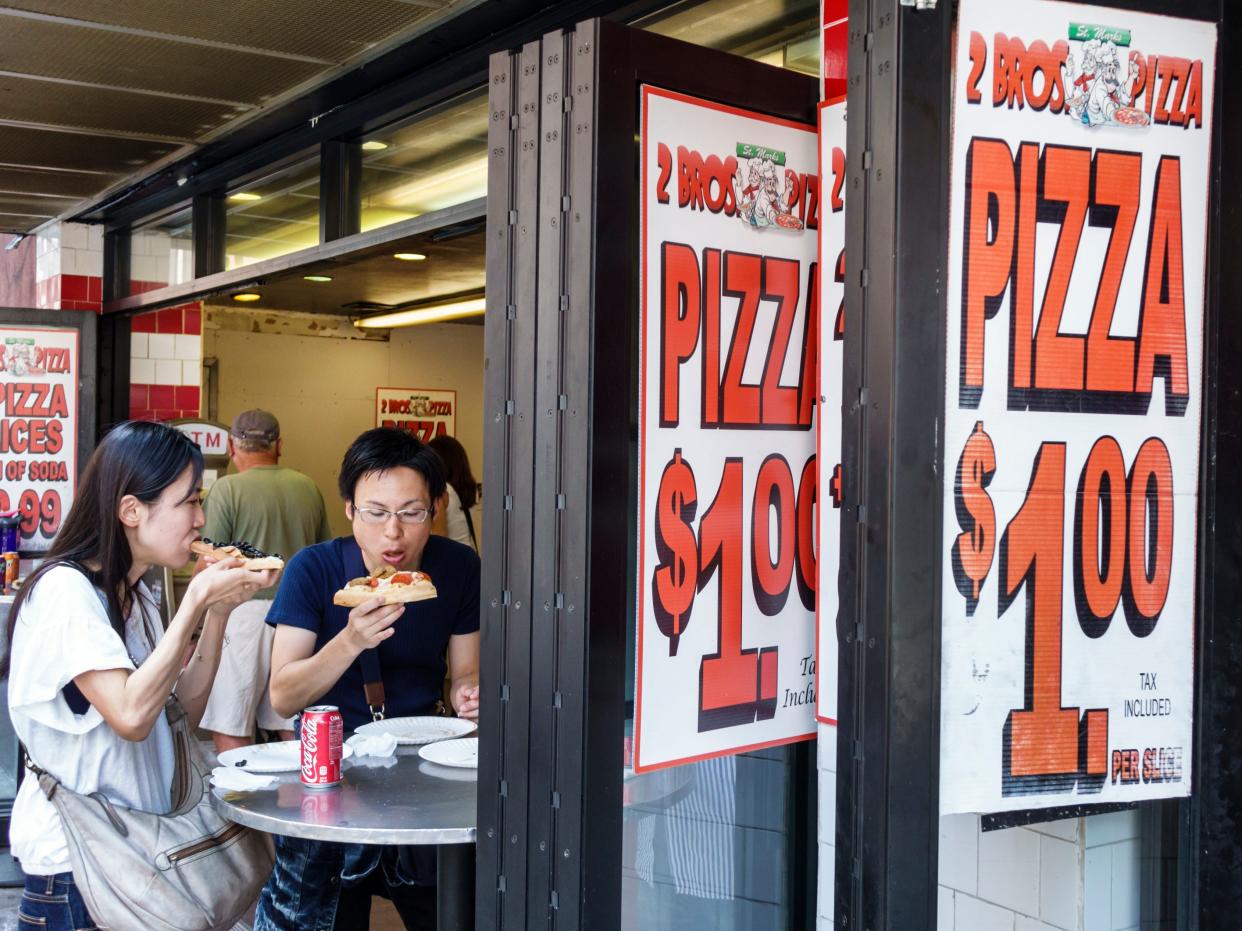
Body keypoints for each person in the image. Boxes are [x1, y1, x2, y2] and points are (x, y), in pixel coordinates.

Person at [3, 421, 278, 931]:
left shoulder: (138, 594)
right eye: (188, 502)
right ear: (131, 510)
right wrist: (195, 599)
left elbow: (176, 715)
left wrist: (216, 614)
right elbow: (129, 714)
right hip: (80, 869)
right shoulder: (66, 592)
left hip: (142, 855)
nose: (201, 520)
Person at [255, 427, 481, 931]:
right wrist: (350, 641)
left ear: (437, 507)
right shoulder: (312, 570)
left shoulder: (459, 568)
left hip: (423, 775)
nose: (393, 534)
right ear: (349, 509)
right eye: (376, 513)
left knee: (451, 916)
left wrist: (468, 696)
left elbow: (464, 673)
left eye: (411, 512)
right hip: (329, 780)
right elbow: (283, 694)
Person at [198, 409, 332, 753]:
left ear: (232, 446)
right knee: (290, 723)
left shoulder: (227, 490)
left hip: (242, 614)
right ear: (279, 445)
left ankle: (237, 800)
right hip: (300, 618)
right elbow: (322, 558)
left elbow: (208, 562)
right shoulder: (308, 488)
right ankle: (298, 803)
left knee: (232, 720)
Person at [428, 434, 479, 552]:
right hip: (469, 554)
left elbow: (439, 536)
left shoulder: (442, 491)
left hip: (451, 556)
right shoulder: (470, 488)